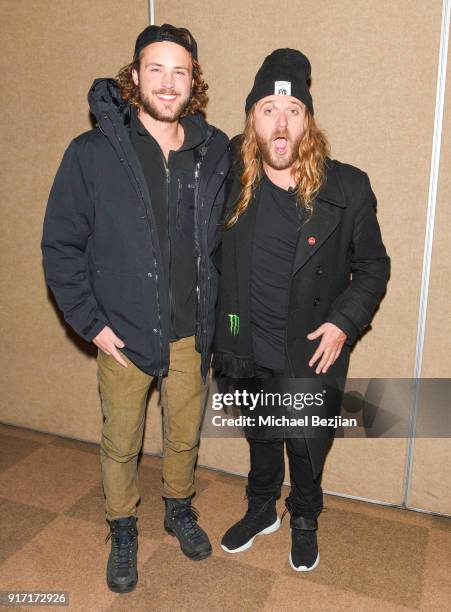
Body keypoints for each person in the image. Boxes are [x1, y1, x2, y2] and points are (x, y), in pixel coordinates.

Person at [41, 24, 230, 592]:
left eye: (180, 71)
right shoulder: (93, 153)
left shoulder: (213, 150)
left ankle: (177, 507)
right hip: (121, 333)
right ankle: (122, 526)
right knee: (121, 441)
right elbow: (61, 244)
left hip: (190, 331)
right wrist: (91, 323)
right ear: (135, 75)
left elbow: (231, 238)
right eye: (156, 69)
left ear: (193, 80)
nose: (168, 83)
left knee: (183, 435)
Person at [212, 48, 390, 572]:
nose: (281, 123)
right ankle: (262, 509)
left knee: (307, 442)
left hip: (311, 348)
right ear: (252, 122)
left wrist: (344, 321)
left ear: (308, 120)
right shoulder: (230, 185)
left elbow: (374, 266)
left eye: (293, 111)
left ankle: (305, 515)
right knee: (262, 434)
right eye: (268, 109)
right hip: (246, 345)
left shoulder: (348, 188)